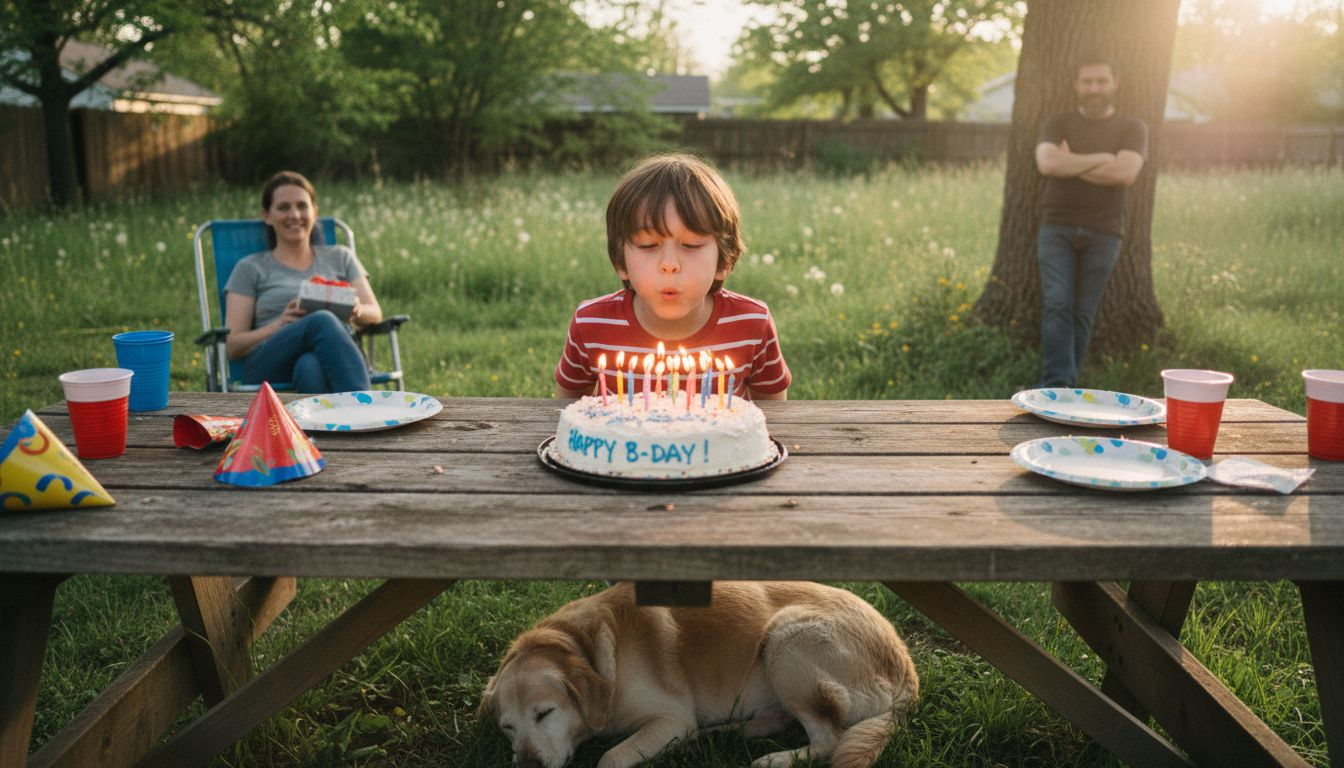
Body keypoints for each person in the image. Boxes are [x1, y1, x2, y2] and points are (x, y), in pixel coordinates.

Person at [555, 153, 790, 401]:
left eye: (690, 244)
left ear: (725, 260)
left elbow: (772, 414)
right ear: (620, 261)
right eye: (648, 245)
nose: (669, 265)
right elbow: (568, 409)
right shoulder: (591, 325)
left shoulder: (752, 324)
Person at [1034, 55, 1147, 388]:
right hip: (1057, 227)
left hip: (1105, 231)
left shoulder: (1132, 127)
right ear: (1076, 85)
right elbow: (1048, 164)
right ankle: (1058, 387)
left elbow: (1125, 172)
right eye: (1087, 82)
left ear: (1115, 83)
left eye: (1101, 81)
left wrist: (1072, 161)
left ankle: (1064, 387)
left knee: (1083, 311)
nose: (1094, 88)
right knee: (1057, 303)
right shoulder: (1058, 123)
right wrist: (1102, 158)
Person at [224, 171, 382, 393]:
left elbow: (375, 313)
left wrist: (356, 310)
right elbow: (233, 346)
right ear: (266, 215)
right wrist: (280, 324)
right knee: (321, 320)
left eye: (302, 206)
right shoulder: (249, 268)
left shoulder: (340, 256)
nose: (295, 214)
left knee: (310, 367)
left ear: (315, 213)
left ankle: (320, 428)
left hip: (331, 357)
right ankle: (367, 409)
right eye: (283, 207)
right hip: (269, 362)